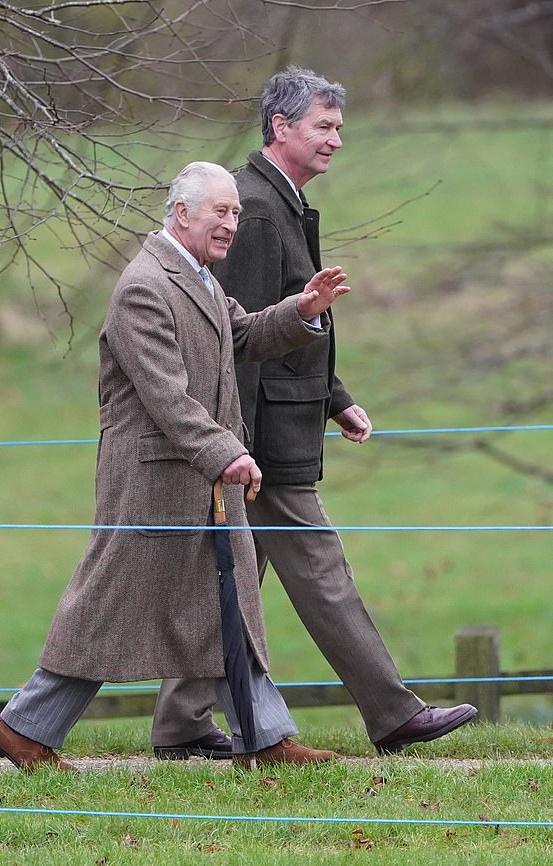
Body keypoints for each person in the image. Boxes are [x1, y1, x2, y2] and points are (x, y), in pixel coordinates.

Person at [151, 69, 477, 758]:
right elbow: (232, 337)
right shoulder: (261, 209)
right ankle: (393, 714)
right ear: (281, 129)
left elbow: (284, 323)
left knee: (230, 584)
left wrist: (337, 400)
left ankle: (181, 725)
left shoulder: (281, 202)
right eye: (323, 126)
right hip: (261, 444)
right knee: (323, 576)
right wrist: (228, 446)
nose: (336, 139)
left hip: (276, 431)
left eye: (336, 126)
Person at [0, 160, 353, 771]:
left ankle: (265, 738)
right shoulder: (144, 287)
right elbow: (166, 397)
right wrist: (228, 452)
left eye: (236, 212)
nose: (232, 223)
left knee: (229, 603)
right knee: (105, 611)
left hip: (198, 482)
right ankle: (23, 729)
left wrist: (301, 309)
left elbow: (246, 337)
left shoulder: (200, 279)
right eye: (221, 211)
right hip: (152, 486)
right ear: (181, 212)